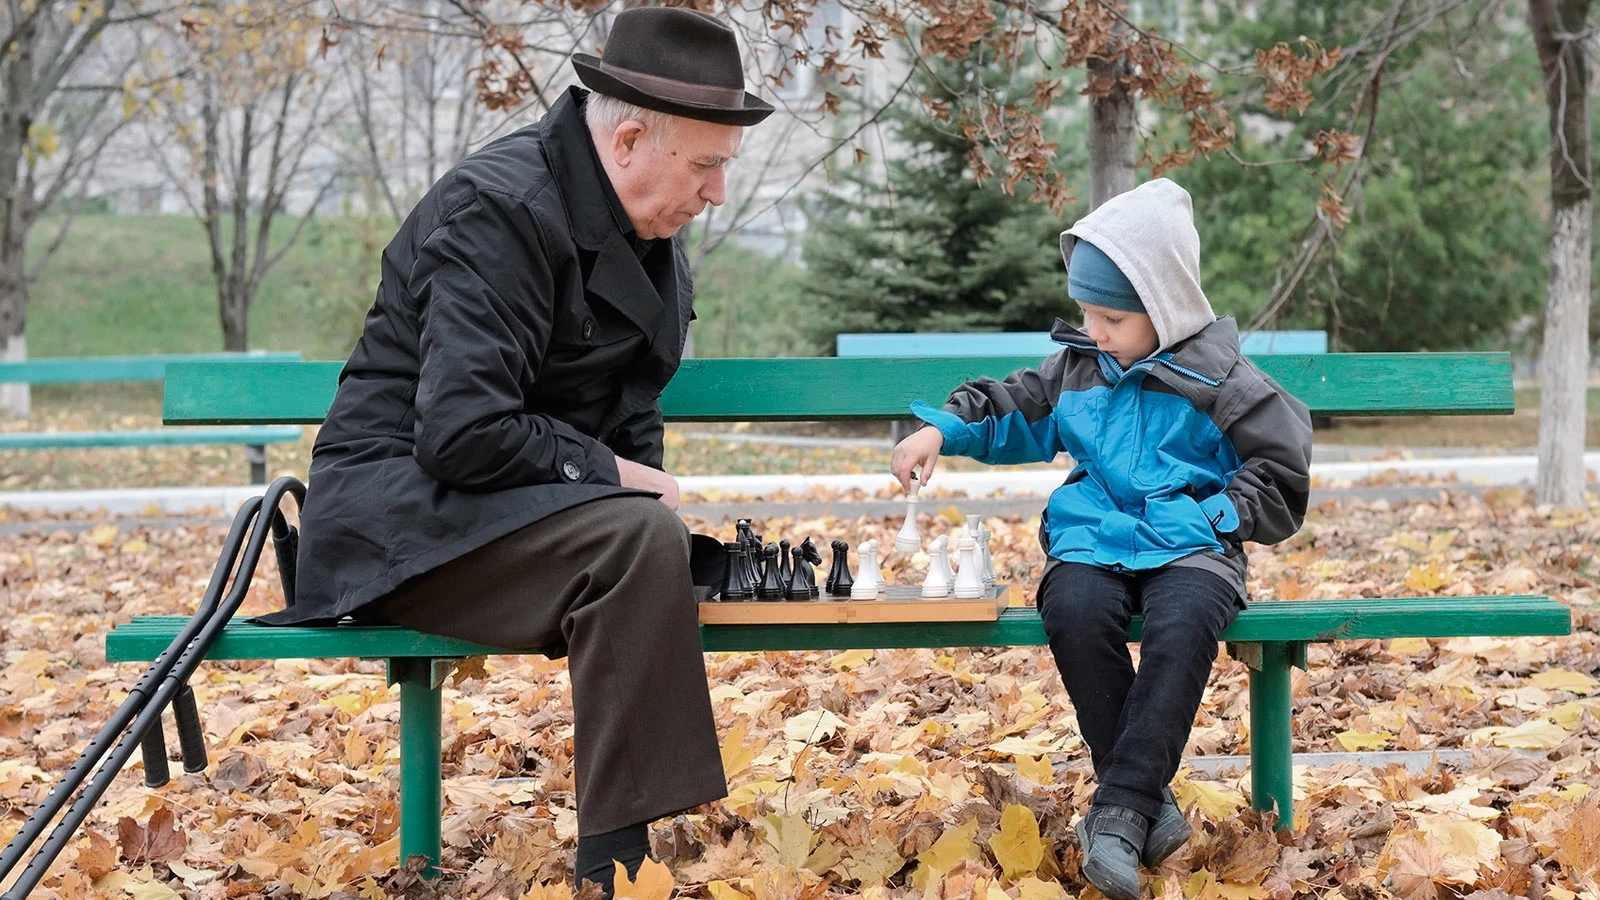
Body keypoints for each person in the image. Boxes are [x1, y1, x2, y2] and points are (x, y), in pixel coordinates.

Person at [259, 8, 773, 896]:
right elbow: (461, 432)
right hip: (398, 522)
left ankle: (621, 858)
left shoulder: (652, 237)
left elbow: (629, 404)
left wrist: (638, 488)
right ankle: (617, 873)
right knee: (637, 545)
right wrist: (615, 481)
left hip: (502, 518)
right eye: (707, 164)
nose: (717, 191)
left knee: (659, 545)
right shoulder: (498, 208)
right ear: (627, 139)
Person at [889, 179, 1312, 900]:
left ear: (1165, 306)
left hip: (1192, 544)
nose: (1096, 330)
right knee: (1073, 607)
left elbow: (1280, 472)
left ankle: (1116, 814)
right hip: (1096, 538)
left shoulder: (1225, 382)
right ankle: (1146, 804)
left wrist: (1217, 516)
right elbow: (1012, 406)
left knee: (1183, 622)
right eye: (1088, 312)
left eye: (1111, 316)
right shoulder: (1081, 367)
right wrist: (942, 428)